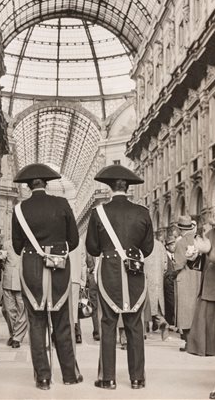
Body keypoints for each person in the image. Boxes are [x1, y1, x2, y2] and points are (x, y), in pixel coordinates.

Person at [11, 163, 82, 390]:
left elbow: (16, 245)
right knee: (62, 321)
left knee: (36, 322)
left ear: (29, 186)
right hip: (59, 267)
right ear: (47, 183)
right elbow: (74, 240)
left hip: (31, 268)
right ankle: (69, 374)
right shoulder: (61, 203)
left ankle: (43, 377)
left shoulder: (20, 209)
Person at [86, 164, 154, 390]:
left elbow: (93, 248)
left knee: (108, 324)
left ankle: (108, 378)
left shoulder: (99, 213)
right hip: (135, 273)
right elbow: (148, 248)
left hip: (109, 273)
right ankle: (137, 379)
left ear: (109, 188)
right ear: (128, 188)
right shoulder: (142, 212)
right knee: (135, 324)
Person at [187, 203, 215, 399]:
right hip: (209, 292)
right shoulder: (209, 233)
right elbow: (202, 262)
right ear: (213, 218)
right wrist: (193, 257)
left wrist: (210, 250)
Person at [173, 215, 201, 351]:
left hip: (184, 278)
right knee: (196, 309)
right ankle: (197, 343)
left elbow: (178, 264)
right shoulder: (198, 239)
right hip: (197, 277)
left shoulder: (180, 242)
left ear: (179, 229)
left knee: (185, 312)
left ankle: (189, 343)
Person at [2, 239, 27, 348]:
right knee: (8, 310)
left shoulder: (28, 243)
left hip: (23, 281)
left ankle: (17, 338)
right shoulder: (7, 244)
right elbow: (2, 261)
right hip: (8, 280)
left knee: (23, 311)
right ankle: (13, 334)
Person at [144, 238, 169, 340]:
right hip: (158, 280)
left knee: (144, 306)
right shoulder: (160, 245)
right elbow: (165, 265)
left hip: (145, 279)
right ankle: (162, 322)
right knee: (157, 306)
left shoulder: (142, 243)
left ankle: (143, 331)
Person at [69, 239, 87, 344]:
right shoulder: (79, 241)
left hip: (61, 278)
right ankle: (74, 334)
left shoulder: (60, 235)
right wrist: (83, 281)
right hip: (75, 278)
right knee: (74, 309)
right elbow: (82, 262)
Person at [86, 253, 100, 341]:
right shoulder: (90, 250)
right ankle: (97, 331)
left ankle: (100, 330)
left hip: (105, 276)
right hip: (93, 279)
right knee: (94, 306)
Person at [163, 235, 176, 326]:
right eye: (171, 244)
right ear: (167, 246)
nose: (174, 246)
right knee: (170, 303)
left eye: (175, 243)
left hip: (174, 283)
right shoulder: (164, 256)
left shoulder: (175, 255)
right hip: (167, 283)